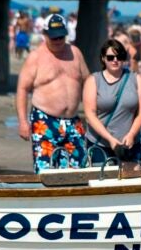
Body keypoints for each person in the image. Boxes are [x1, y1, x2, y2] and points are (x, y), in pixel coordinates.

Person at [15, 13, 90, 173]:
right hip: (45, 120)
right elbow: (22, 89)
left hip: (73, 121)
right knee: (45, 171)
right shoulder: (36, 57)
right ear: (45, 34)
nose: (57, 41)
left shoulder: (75, 53)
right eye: (53, 37)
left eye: (61, 37)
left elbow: (89, 83)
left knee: (78, 170)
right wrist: (22, 121)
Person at [82, 39, 141, 168]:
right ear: (103, 59)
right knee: (102, 183)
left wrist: (132, 134)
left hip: (129, 144)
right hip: (100, 143)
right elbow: (90, 115)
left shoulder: (137, 79)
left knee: (131, 182)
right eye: (110, 57)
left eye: (120, 56)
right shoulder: (93, 80)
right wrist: (111, 140)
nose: (115, 60)